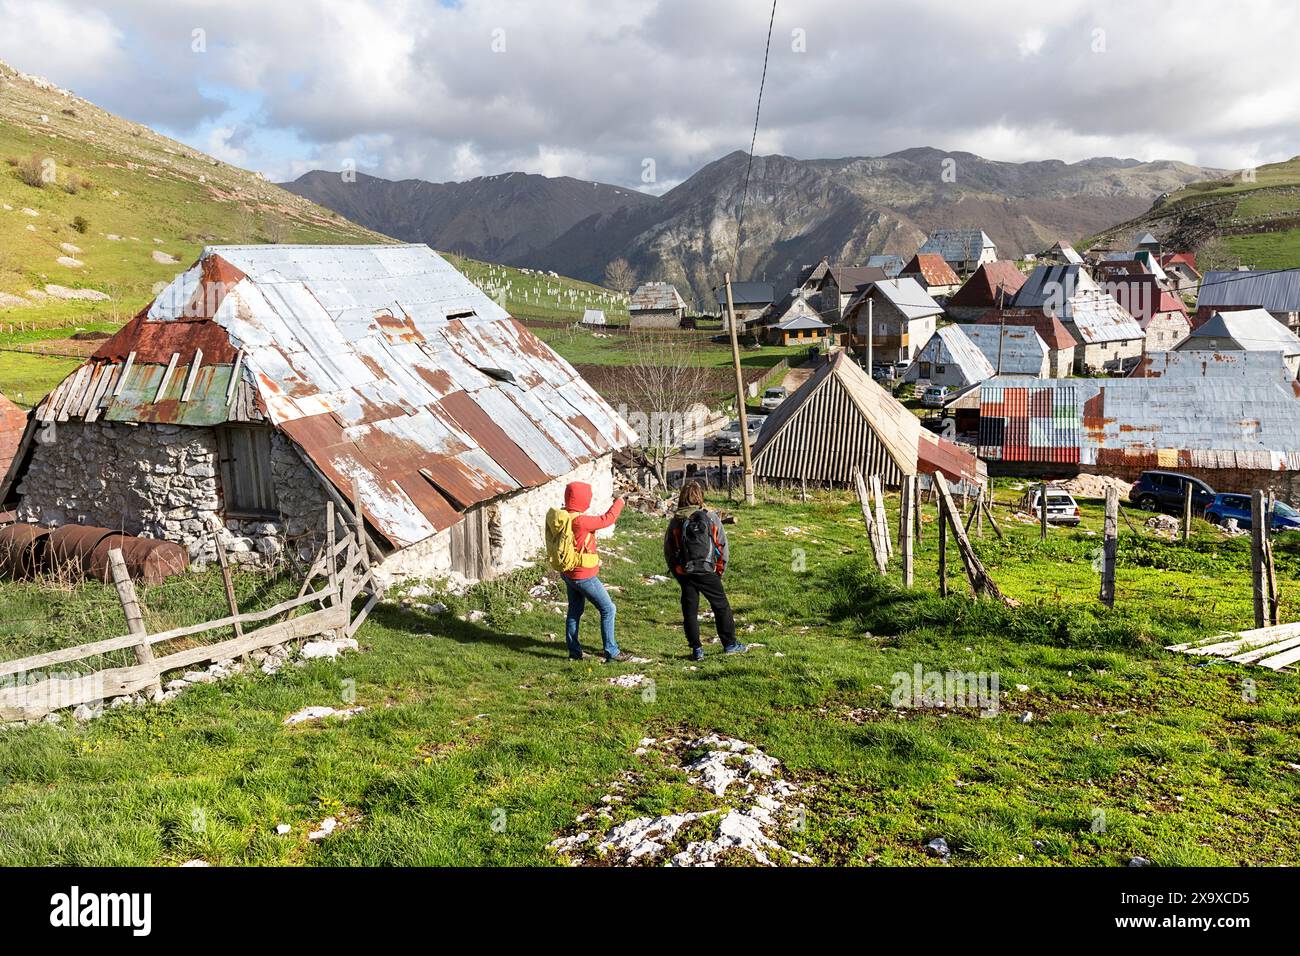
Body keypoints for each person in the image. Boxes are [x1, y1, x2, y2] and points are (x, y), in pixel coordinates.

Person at [663, 480, 748, 661]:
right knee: (721, 606)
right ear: (700, 497)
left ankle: (697, 650)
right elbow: (722, 545)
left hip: (686, 572)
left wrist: (678, 573)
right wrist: (718, 571)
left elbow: (669, 550)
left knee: (690, 611)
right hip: (708, 571)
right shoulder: (710, 517)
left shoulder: (676, 520)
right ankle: (730, 644)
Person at [558, 481, 632, 663]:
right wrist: (620, 501)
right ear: (582, 499)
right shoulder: (581, 521)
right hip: (583, 575)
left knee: (575, 611)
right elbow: (607, 519)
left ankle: (574, 653)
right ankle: (611, 651)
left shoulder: (563, 516)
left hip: (568, 573)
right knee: (608, 608)